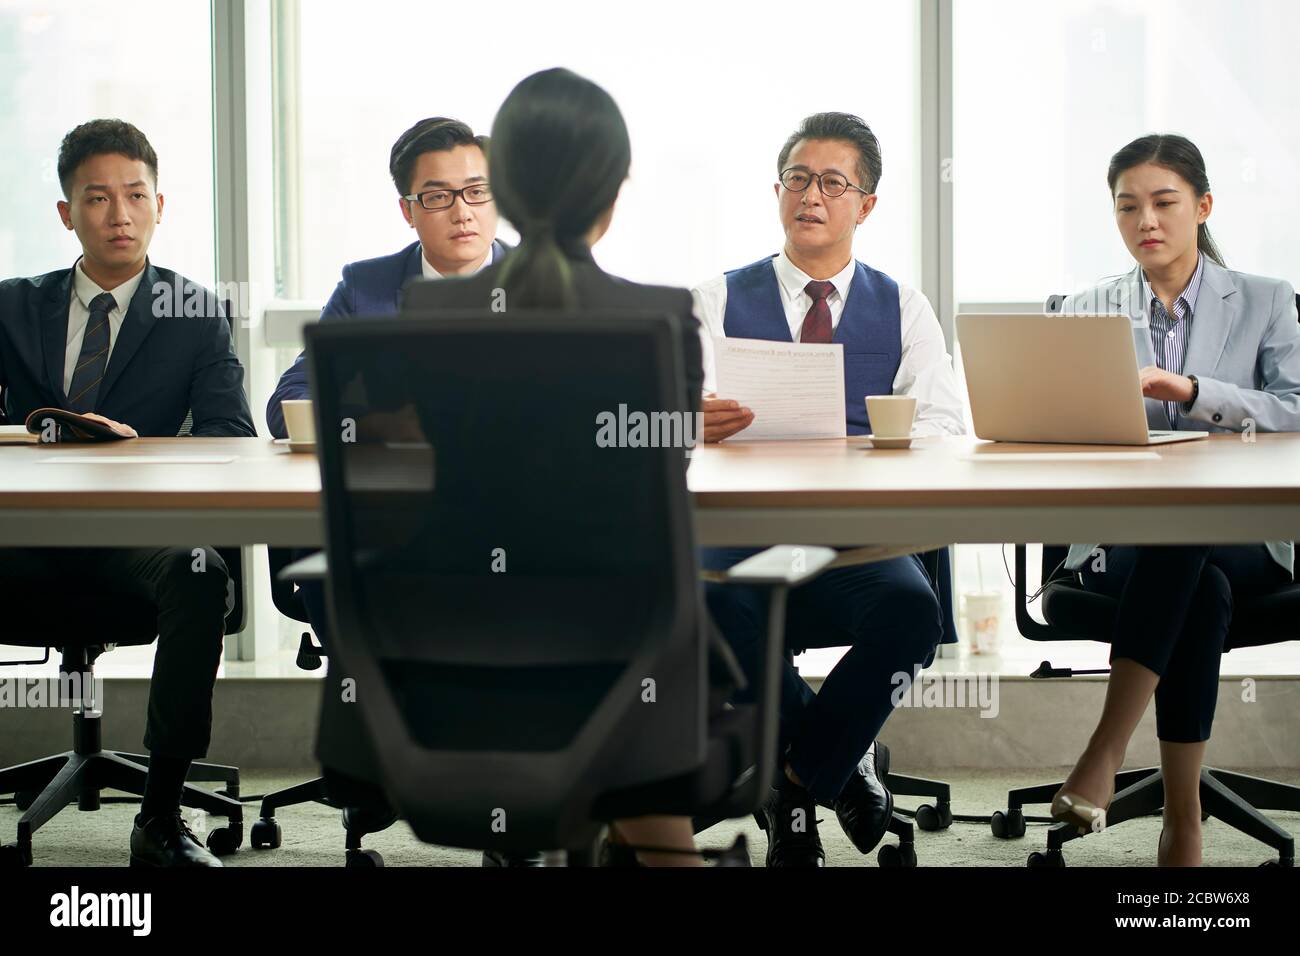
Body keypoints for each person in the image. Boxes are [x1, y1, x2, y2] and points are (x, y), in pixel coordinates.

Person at [396, 67, 746, 867]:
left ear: (503, 188)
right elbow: (652, 480)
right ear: (613, 188)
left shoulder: (429, 312)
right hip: (630, 662)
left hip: (464, 658)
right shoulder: (660, 317)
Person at [692, 112, 965, 866]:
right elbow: (656, 418)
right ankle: (837, 770)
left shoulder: (904, 307)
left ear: (865, 205)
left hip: (857, 533)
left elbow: (945, 426)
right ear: (778, 192)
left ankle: (793, 779)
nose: (811, 195)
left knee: (912, 610)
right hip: (742, 529)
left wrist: (870, 442)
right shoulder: (711, 299)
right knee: (706, 594)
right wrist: (690, 422)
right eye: (797, 179)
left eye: (832, 182)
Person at [0, 119, 256, 866]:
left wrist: (137, 445)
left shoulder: (196, 313)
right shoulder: (13, 306)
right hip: (30, 538)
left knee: (199, 568)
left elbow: (230, 434)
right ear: (66, 213)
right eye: (98, 198)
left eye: (135, 196)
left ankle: (162, 815)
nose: (119, 214)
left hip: (137, 541)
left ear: (159, 205)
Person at [1053, 133, 1300, 865]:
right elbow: (1051, 426)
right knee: (1200, 582)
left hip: (1250, 540)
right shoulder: (1086, 306)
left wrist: (1192, 393)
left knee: (1191, 533)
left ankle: (1105, 750)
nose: (1145, 221)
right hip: (1119, 543)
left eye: (1163, 202)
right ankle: (1183, 818)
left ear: (1203, 206)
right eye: (1127, 207)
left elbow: (1296, 408)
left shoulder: (1264, 299)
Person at [266, 116, 508, 438]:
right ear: (408, 211)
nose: (462, 212)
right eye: (437, 197)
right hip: (399, 479)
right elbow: (290, 401)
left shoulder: (543, 284)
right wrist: (377, 426)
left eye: (477, 191)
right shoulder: (364, 289)